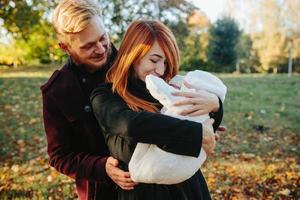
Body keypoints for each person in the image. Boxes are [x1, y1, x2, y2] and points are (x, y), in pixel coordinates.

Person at [41, 1, 223, 199]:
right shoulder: (59, 91)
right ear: (64, 47)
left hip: (177, 183)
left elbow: (178, 105)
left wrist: (213, 110)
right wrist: (101, 167)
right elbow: (60, 156)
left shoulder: (140, 63)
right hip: (109, 186)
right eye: (88, 46)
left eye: (103, 38)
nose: (101, 49)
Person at [90, 20, 224, 200]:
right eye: (154, 60)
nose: (160, 70)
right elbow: (132, 125)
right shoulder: (106, 96)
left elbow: (208, 123)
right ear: (133, 54)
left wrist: (216, 105)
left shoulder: (170, 88)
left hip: (187, 190)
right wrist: (196, 134)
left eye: (166, 63)